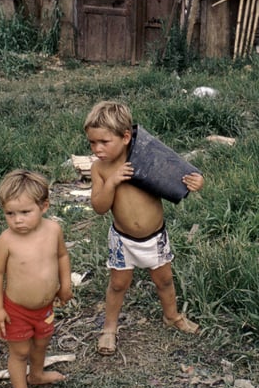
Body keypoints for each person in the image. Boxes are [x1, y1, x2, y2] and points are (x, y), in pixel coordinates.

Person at [84, 100, 203, 356]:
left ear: (126, 137)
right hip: (122, 239)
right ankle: (109, 328)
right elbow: (99, 207)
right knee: (118, 284)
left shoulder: (148, 158)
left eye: (104, 142)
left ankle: (171, 316)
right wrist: (112, 182)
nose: (97, 149)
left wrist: (196, 180)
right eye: (92, 143)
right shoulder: (100, 169)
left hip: (154, 237)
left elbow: (181, 172)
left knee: (165, 280)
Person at [0, 169, 72, 388]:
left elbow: (62, 256)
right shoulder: (7, 240)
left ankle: (36, 374)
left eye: (25, 212)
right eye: (10, 214)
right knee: (20, 351)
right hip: (17, 310)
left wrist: (65, 285)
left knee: (42, 342)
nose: (17, 220)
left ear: (44, 206)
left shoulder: (53, 230)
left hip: (45, 307)